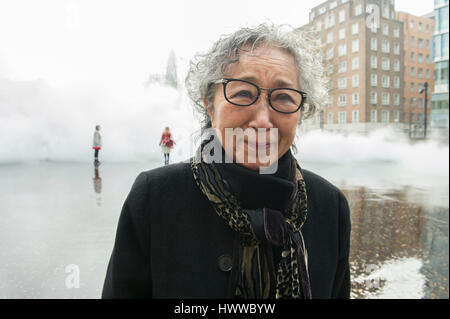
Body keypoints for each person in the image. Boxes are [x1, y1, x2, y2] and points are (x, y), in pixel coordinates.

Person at [102, 24, 351, 299]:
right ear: (210, 103)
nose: (262, 120)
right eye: (244, 93)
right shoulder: (155, 197)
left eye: (283, 97)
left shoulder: (330, 206)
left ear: (300, 112)